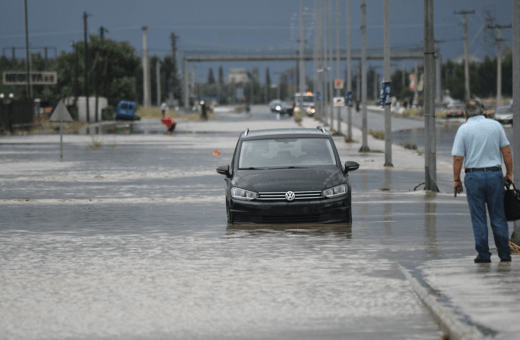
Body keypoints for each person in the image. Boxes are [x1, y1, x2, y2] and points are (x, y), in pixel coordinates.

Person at [452, 100, 513, 263]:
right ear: (484, 111)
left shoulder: (463, 129)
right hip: (495, 175)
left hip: (474, 177)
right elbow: (506, 151)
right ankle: (505, 254)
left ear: (465, 114)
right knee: (498, 216)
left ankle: (484, 255)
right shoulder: (496, 126)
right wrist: (509, 173)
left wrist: (456, 180)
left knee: (478, 217)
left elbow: (458, 158)